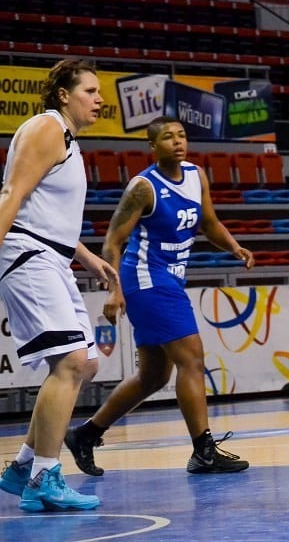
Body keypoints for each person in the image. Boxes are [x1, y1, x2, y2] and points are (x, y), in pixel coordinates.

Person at [63, 116, 255, 476]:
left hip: (169, 280)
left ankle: (86, 435)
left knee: (153, 376)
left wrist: (234, 246)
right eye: (168, 137)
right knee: (193, 359)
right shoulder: (143, 187)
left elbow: (208, 223)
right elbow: (113, 242)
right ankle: (203, 449)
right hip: (146, 279)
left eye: (181, 135)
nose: (177, 141)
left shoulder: (197, 176)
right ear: (153, 146)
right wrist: (114, 290)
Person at [0, 58, 117, 511]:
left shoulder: (67, 139)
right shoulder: (47, 128)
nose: (99, 99)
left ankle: (23, 468)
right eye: (90, 90)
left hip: (52, 254)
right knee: (69, 360)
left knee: (85, 363)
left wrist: (85, 255)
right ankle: (45, 477)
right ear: (64, 94)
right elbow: (12, 195)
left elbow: (49, 215)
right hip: (28, 256)